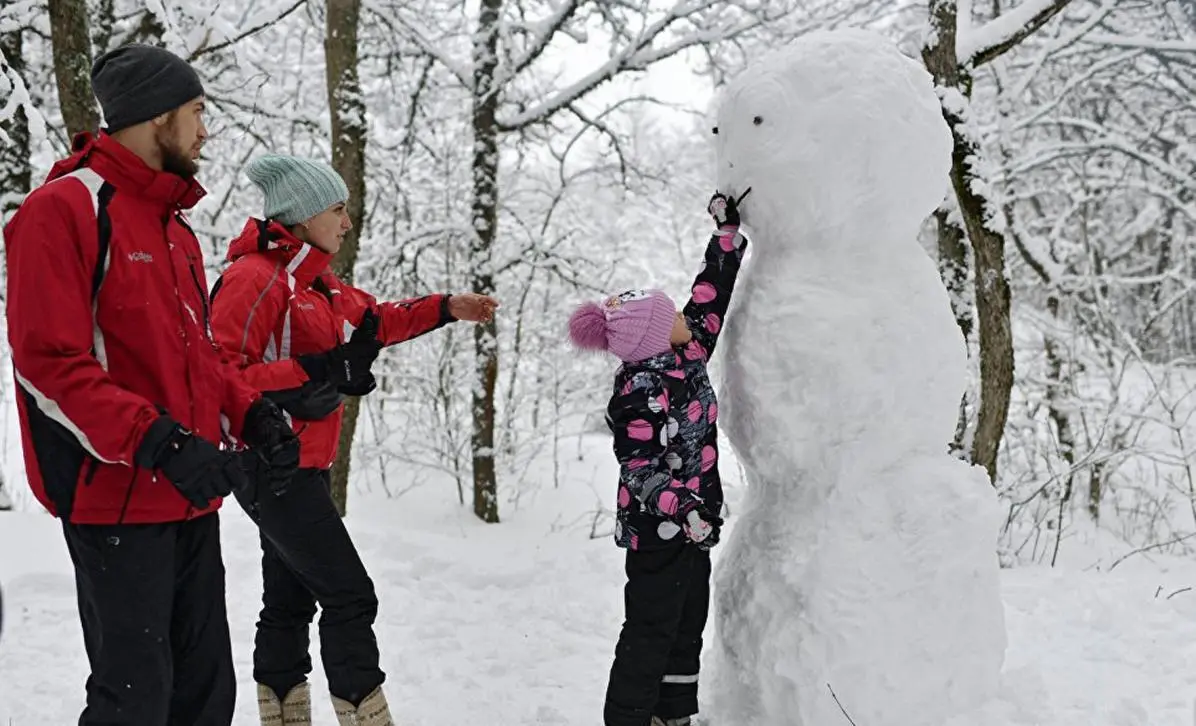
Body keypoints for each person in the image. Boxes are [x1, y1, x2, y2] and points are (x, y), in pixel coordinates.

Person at [2, 44, 299, 725]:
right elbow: (48, 363)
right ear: (156, 117)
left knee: (205, 699)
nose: (205, 130)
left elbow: (199, 361)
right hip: (115, 503)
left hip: (189, 503)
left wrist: (252, 415)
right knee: (135, 703)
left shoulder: (176, 231)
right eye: (196, 112)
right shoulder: (64, 210)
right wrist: (161, 443)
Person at [209, 153, 499, 726]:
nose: (347, 222)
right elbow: (221, 377)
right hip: (266, 463)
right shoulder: (254, 278)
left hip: (303, 466)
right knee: (350, 595)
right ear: (303, 215)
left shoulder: (318, 286)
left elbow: (377, 321)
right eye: (338, 210)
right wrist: (320, 371)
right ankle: (365, 715)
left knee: (289, 600)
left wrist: (446, 307)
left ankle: (283, 714)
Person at [567, 192, 748, 726]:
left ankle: (674, 715)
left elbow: (709, 298)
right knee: (649, 632)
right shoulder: (639, 391)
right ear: (651, 339)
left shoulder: (685, 350)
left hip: (694, 527)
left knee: (688, 623)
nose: (682, 315)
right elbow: (639, 469)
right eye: (670, 315)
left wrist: (725, 237)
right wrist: (685, 506)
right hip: (656, 532)